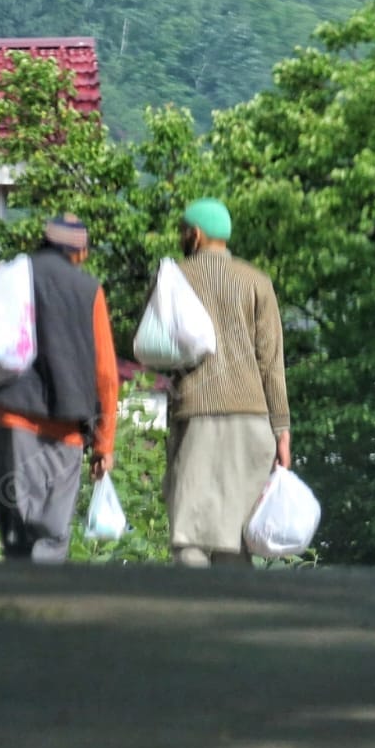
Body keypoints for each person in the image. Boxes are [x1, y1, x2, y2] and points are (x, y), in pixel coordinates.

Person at [0, 214, 119, 563]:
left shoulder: (10, 276)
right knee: (52, 539)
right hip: (64, 433)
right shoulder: (88, 290)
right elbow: (106, 374)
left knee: (15, 536)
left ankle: (15, 610)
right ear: (80, 252)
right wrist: (104, 444)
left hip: (8, 420)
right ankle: (45, 610)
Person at [162, 197, 291, 568]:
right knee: (236, 539)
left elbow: (151, 343)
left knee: (191, 533)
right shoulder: (258, 282)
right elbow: (271, 361)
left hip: (197, 415)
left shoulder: (172, 277)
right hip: (253, 421)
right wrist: (281, 430)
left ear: (195, 234)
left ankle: (192, 615)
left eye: (183, 233)